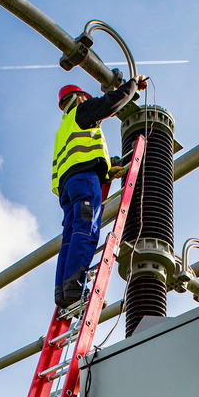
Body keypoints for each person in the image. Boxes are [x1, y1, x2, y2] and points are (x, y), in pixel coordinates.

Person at [52, 75, 148, 309]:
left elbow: (79, 156)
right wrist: (132, 85)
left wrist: (106, 171)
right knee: (87, 229)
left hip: (68, 187)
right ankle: (75, 289)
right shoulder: (82, 112)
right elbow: (111, 102)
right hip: (85, 181)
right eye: (86, 96)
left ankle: (63, 293)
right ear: (79, 98)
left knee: (70, 237)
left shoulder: (64, 128)